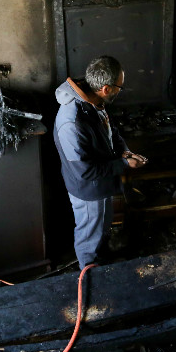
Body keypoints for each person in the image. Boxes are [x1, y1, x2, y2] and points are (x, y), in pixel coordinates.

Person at [53, 56, 147, 269]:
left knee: (100, 229)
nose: (119, 91)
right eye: (119, 88)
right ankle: (90, 274)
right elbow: (84, 172)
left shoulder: (94, 102)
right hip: (88, 190)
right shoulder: (72, 122)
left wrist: (124, 152)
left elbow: (110, 131)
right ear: (106, 89)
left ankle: (100, 261)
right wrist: (124, 165)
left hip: (101, 183)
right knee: (89, 236)